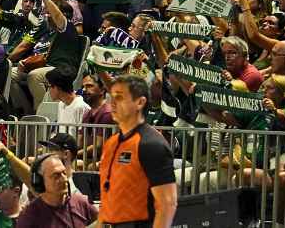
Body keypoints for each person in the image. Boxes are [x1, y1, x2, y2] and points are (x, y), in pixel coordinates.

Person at [99, 74, 178, 228]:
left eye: (120, 97)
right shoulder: (111, 143)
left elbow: (168, 203)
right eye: (111, 97)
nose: (113, 103)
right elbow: (107, 196)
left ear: (140, 102)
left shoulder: (152, 144)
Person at [14, 152, 97, 228]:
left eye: (64, 173)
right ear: (40, 182)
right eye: (56, 176)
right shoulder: (30, 216)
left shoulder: (81, 203)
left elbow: (102, 222)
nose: (64, 179)